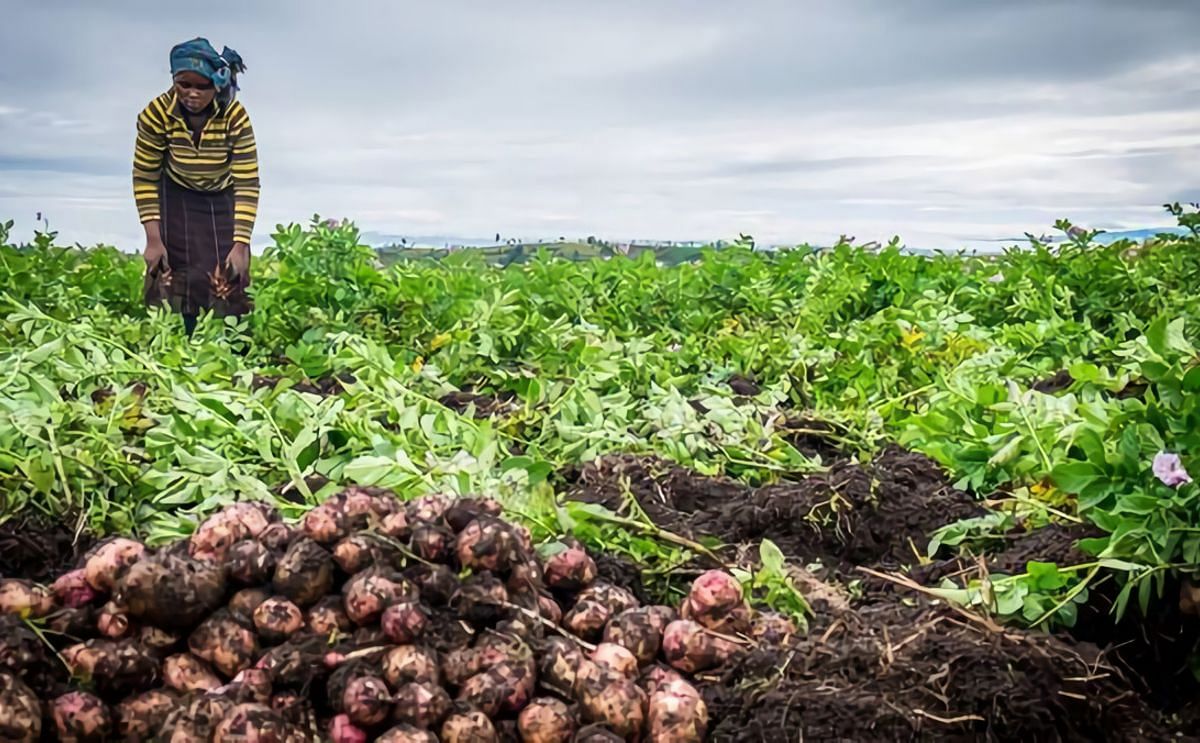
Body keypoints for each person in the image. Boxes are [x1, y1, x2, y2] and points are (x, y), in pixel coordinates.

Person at [132, 38, 259, 336]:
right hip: (175, 191)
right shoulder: (156, 115)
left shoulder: (234, 118)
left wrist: (241, 245)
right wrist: (152, 238)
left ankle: (233, 345)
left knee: (227, 274)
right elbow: (145, 175)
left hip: (222, 193)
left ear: (217, 84)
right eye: (183, 84)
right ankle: (177, 341)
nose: (191, 93)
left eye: (201, 86)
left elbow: (247, 182)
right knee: (171, 270)